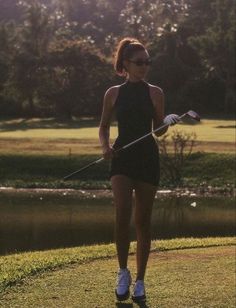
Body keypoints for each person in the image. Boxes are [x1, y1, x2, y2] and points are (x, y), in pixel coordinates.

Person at [99, 37, 179, 303]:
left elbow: (158, 131)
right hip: (121, 157)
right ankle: (123, 272)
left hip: (146, 158)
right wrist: (105, 146)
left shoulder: (155, 92)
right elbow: (103, 126)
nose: (144, 66)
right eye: (139, 62)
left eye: (147, 62)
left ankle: (141, 281)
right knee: (122, 212)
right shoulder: (113, 93)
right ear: (125, 64)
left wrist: (167, 121)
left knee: (142, 221)